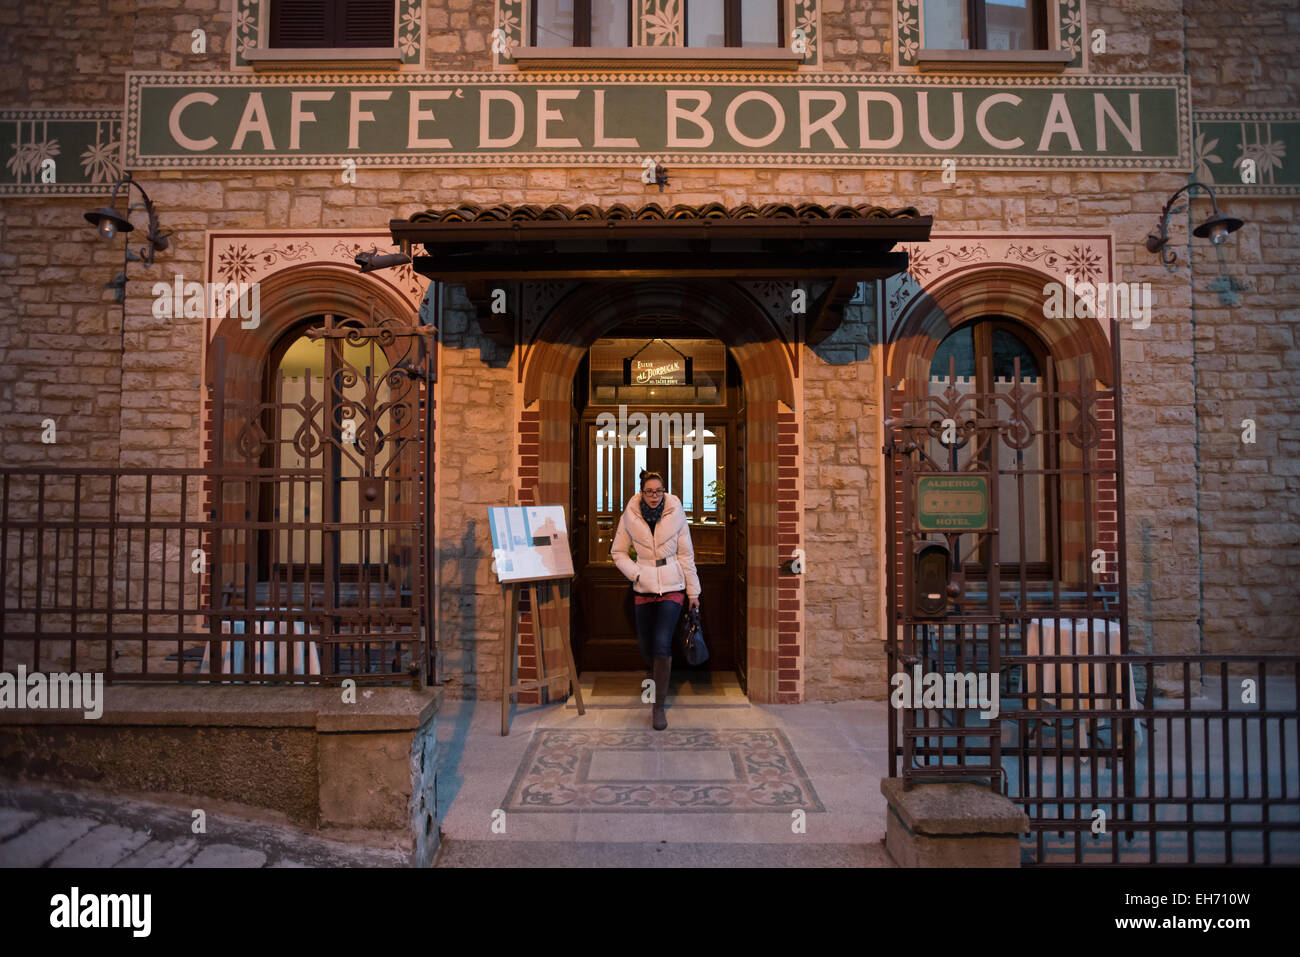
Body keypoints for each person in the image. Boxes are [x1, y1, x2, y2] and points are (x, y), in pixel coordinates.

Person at [610, 471, 701, 730]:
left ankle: (658, 707)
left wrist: (693, 592)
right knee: (646, 646)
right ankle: (653, 681)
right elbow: (617, 553)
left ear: (664, 491)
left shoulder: (676, 513)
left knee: (662, 644)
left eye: (658, 491)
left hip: (673, 586)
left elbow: (687, 555)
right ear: (641, 492)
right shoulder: (631, 514)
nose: (654, 496)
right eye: (649, 491)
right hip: (644, 586)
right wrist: (636, 572)